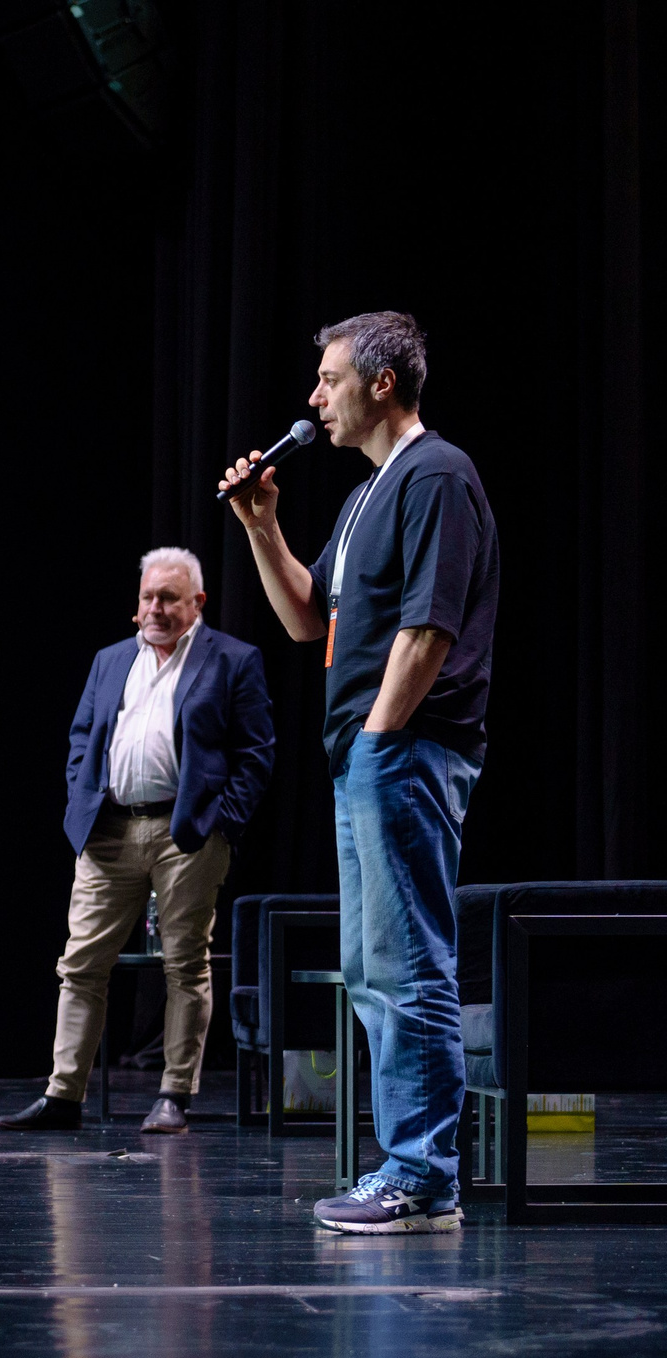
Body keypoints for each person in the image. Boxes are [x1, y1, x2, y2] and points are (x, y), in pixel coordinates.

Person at [220, 310, 498, 1234]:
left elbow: (428, 631)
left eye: (328, 379)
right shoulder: (365, 495)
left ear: (381, 384)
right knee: (372, 966)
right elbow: (309, 618)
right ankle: (409, 1166)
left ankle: (423, 1173)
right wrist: (263, 527)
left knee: (408, 961)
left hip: (404, 752)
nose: (314, 398)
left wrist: (380, 739)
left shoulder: (437, 476)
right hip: (367, 757)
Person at [0, 549, 276, 1137]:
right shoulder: (111, 660)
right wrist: (82, 801)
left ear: (197, 603)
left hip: (188, 834)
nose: (156, 608)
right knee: (80, 965)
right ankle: (63, 1095)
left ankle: (175, 1094)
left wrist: (222, 821)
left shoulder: (233, 659)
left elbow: (256, 753)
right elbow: (82, 738)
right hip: (110, 833)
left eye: (170, 598)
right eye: (149, 597)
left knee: (184, 965)